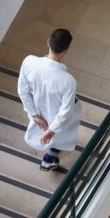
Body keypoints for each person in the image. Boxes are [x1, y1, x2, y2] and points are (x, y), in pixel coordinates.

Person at [17, 28, 81, 171]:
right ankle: (50, 157)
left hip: (38, 110)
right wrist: (52, 130)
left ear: (48, 42)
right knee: (63, 133)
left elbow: (23, 91)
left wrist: (34, 115)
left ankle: (50, 156)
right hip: (57, 116)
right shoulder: (68, 81)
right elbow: (66, 111)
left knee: (54, 133)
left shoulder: (29, 62)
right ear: (66, 50)